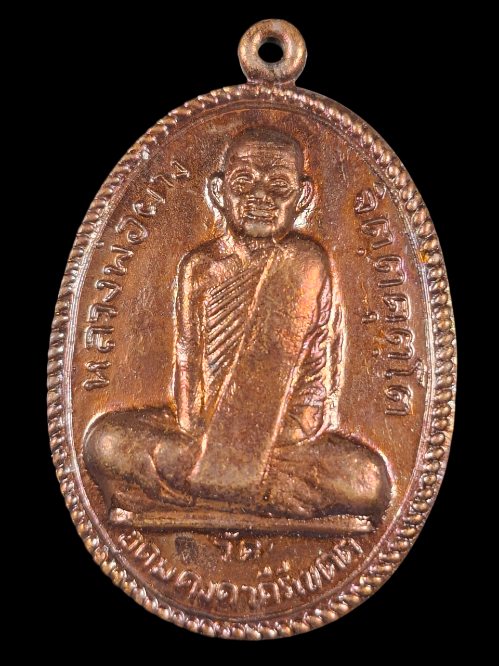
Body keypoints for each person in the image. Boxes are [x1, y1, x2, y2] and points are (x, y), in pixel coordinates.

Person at [84, 127, 390, 521]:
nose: (260, 198)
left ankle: (210, 491)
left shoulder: (307, 264)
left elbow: (315, 390)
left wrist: (252, 442)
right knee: (104, 442)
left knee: (369, 479)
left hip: (283, 442)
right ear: (219, 192)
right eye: (244, 183)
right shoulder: (199, 268)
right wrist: (215, 441)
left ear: (302, 196)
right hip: (201, 439)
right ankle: (260, 493)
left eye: (278, 186)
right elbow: (188, 379)